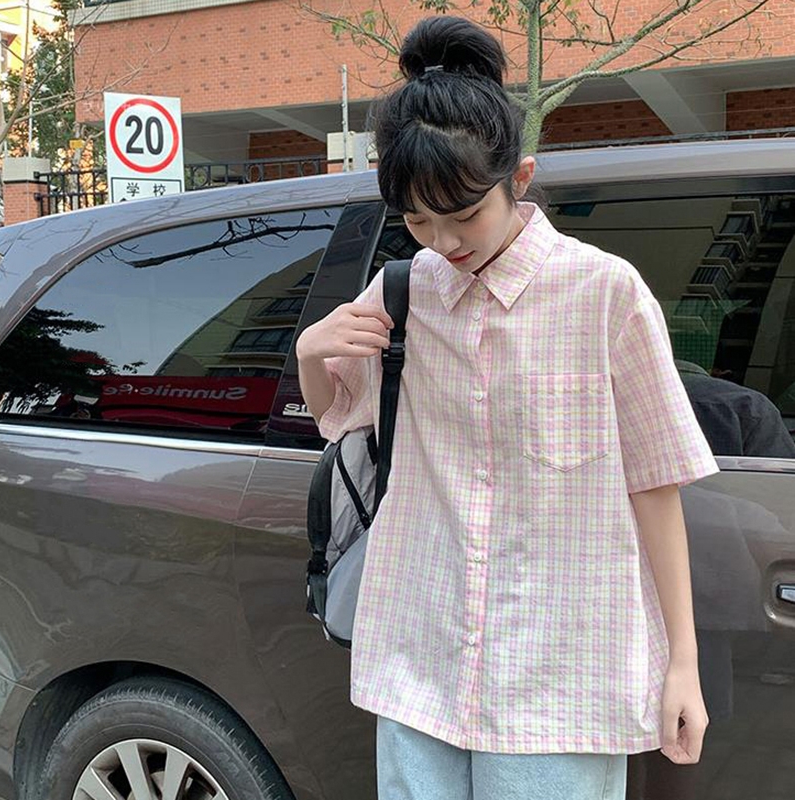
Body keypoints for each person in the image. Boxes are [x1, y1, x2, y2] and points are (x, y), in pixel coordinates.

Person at [296, 15, 720, 800]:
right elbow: (340, 419)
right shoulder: (407, 289)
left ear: (518, 179)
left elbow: (655, 485)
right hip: (421, 657)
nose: (442, 241)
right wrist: (309, 353)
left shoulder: (605, 294)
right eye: (418, 220)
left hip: (560, 678)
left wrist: (681, 666)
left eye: (463, 215)